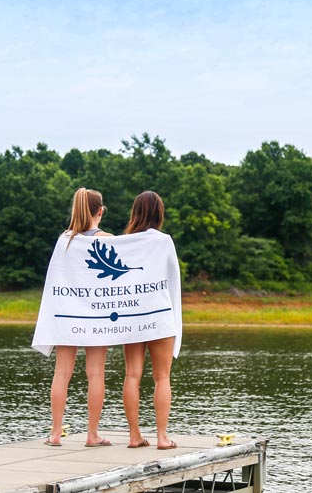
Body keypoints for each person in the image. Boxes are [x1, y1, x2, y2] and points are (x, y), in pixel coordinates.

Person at [45, 187, 113, 447]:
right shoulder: (108, 239)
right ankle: (92, 434)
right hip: (96, 317)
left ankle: (55, 433)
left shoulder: (64, 239)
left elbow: (56, 280)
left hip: (67, 315)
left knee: (61, 373)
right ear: (100, 211)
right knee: (95, 373)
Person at [122, 191, 179, 450]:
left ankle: (135, 436)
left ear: (136, 212)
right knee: (162, 377)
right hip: (159, 314)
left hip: (131, 315)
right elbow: (172, 280)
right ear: (159, 212)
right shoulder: (164, 241)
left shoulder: (124, 242)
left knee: (132, 375)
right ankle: (162, 437)